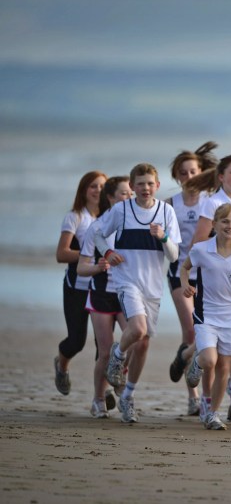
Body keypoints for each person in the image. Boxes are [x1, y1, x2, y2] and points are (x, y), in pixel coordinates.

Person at [98, 163, 181, 423]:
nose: (145, 188)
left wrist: (164, 236)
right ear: (132, 187)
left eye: (150, 183)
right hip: (127, 281)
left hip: (153, 286)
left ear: (157, 186)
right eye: (140, 184)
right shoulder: (121, 210)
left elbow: (174, 254)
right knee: (137, 330)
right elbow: (98, 234)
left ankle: (128, 396)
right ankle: (117, 356)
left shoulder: (166, 211)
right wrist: (108, 253)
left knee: (143, 342)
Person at [185, 154, 231, 422]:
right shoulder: (212, 202)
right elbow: (199, 241)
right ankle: (207, 399)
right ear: (221, 177)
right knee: (212, 354)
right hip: (216, 275)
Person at [165, 141, 217, 417]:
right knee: (191, 331)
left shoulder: (212, 202)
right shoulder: (170, 204)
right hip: (179, 273)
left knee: (206, 334)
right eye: (183, 173)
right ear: (176, 175)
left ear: (201, 172)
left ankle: (185, 356)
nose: (188, 177)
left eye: (193, 171)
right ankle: (193, 396)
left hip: (208, 275)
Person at [77, 175, 132, 418]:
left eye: (131, 194)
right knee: (106, 351)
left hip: (127, 293)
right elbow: (81, 268)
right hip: (101, 294)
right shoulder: (97, 227)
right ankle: (98, 399)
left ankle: (119, 378)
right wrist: (99, 267)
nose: (129, 198)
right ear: (110, 198)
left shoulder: (137, 225)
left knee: (137, 339)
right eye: (124, 194)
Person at [54, 170, 107, 396]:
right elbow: (62, 254)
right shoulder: (75, 216)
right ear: (84, 190)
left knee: (103, 343)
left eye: (103, 187)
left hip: (103, 287)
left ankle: (103, 392)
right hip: (77, 287)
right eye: (93, 186)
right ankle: (61, 364)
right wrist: (90, 256)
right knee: (76, 341)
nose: (98, 191)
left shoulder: (110, 216)